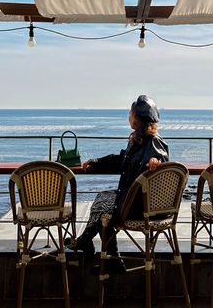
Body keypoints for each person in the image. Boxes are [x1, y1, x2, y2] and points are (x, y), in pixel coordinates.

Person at [68, 95, 168, 269]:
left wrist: (156, 163)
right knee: (102, 200)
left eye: (131, 114)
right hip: (135, 202)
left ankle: (96, 248)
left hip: (141, 206)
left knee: (102, 207)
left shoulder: (154, 142)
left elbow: (160, 160)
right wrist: (97, 162)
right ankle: (107, 256)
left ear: (136, 120)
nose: (129, 117)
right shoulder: (137, 141)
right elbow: (122, 160)